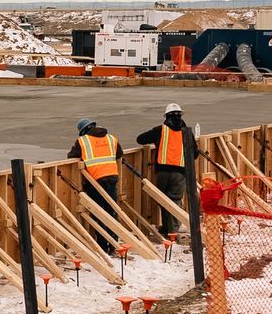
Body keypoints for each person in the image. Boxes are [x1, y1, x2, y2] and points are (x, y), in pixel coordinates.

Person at [136, 103, 196, 239]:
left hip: (162, 171)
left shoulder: (160, 130)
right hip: (180, 172)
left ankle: (167, 228)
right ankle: (172, 230)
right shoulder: (187, 132)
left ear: (166, 116)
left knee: (163, 200)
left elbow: (140, 139)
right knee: (175, 200)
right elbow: (195, 153)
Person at [68, 117, 122, 252]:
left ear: (83, 131)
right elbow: (119, 154)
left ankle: (103, 247)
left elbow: (71, 156)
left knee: (99, 214)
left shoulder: (83, 141)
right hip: (112, 178)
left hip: (95, 181)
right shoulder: (111, 138)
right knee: (111, 212)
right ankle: (114, 244)